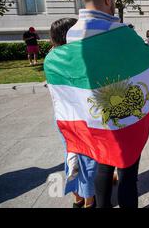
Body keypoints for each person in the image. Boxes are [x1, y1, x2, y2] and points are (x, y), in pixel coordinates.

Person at [64, 0, 144, 208]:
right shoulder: (119, 32)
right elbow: (143, 64)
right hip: (121, 113)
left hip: (91, 112)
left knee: (103, 164)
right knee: (128, 170)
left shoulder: (72, 33)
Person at [50, 17, 96, 209]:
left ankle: (77, 199)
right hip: (82, 117)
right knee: (88, 160)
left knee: (72, 156)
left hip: (62, 117)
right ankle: (89, 201)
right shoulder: (80, 57)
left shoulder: (52, 56)